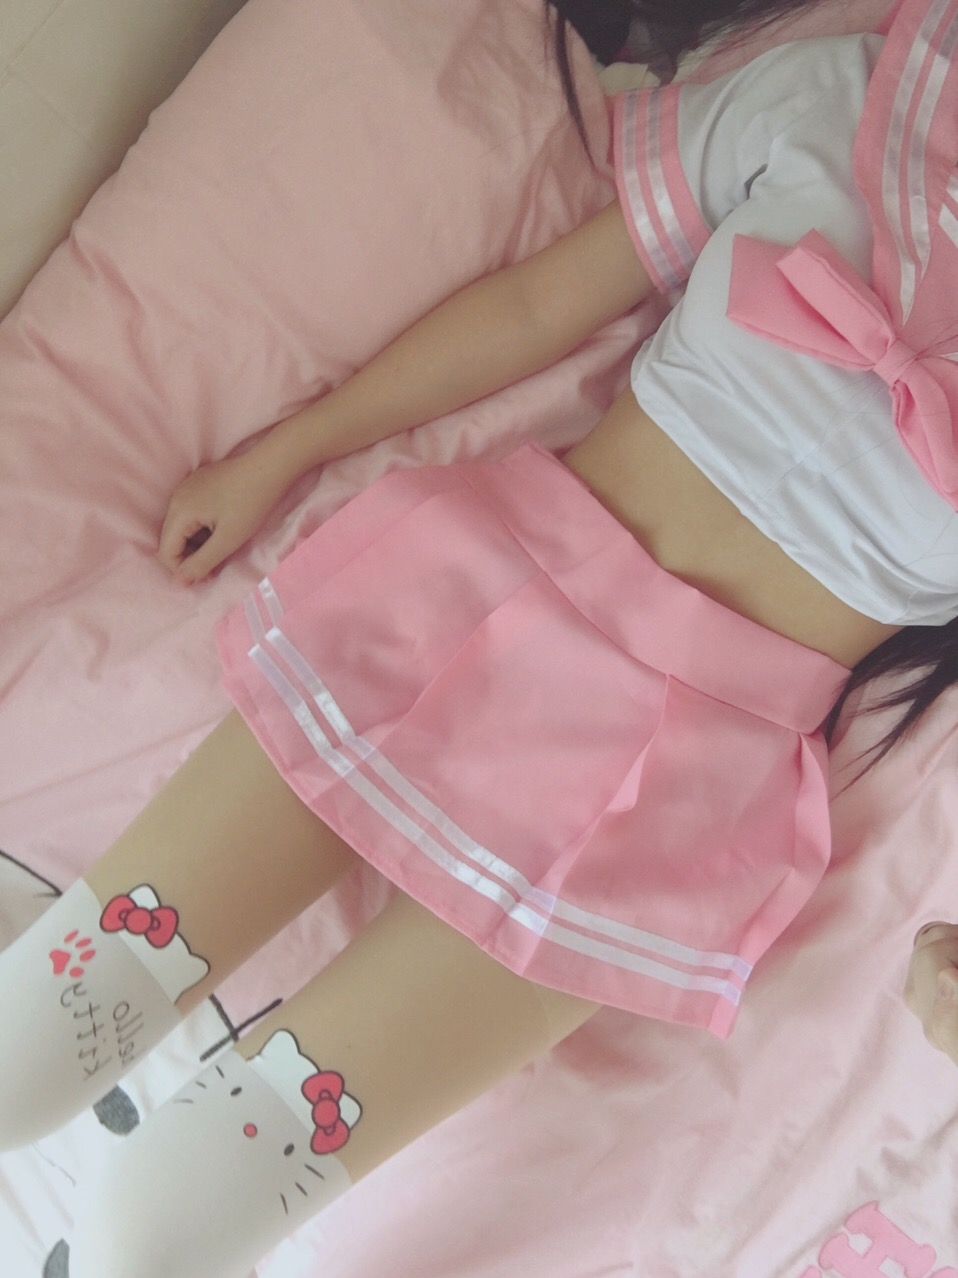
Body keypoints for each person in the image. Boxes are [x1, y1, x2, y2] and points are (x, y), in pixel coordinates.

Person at [2, 0, 958, 1273]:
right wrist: (295, 445)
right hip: (482, 591)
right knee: (56, 1014)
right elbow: (542, 303)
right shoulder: (837, 96)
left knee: (186, 1207)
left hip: (691, 787)